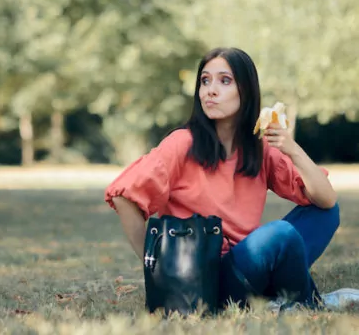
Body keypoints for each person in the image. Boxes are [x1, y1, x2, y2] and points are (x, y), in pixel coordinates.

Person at [104, 47, 358, 312]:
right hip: (204, 279)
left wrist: (291, 149)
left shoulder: (259, 147)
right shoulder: (183, 143)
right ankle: (309, 303)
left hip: (248, 266)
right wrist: (156, 268)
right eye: (205, 80)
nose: (210, 90)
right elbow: (124, 195)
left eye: (224, 81)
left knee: (326, 213)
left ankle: (279, 299)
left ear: (246, 91)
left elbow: (326, 199)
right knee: (279, 235)